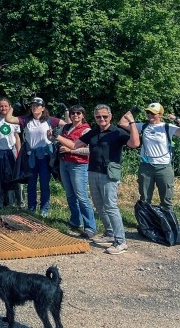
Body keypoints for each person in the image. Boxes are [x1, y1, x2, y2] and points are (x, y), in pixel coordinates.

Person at [66, 105, 139, 255]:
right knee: (99, 205)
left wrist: (132, 123)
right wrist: (56, 137)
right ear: (95, 117)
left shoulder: (117, 132)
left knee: (111, 206)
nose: (102, 119)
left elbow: (135, 144)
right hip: (93, 171)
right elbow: (74, 145)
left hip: (109, 174)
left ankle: (121, 242)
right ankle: (109, 233)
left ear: (110, 117)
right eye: (98, 116)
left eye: (105, 116)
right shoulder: (93, 133)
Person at [4, 97, 66, 217]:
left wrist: (66, 111)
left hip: (45, 156)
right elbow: (8, 119)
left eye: (37, 105)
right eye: (32, 105)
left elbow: (68, 125)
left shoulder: (50, 120)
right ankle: (31, 207)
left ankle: (44, 209)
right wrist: (12, 108)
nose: (34, 107)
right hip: (31, 156)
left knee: (44, 184)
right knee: (31, 183)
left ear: (43, 108)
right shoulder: (26, 120)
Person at [129, 102, 180, 211]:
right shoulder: (143, 126)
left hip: (164, 167)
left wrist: (176, 119)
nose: (150, 115)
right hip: (146, 167)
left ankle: (166, 220)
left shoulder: (167, 127)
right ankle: (146, 220)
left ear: (160, 115)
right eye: (148, 112)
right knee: (145, 198)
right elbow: (122, 123)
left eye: (153, 113)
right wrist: (131, 112)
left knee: (166, 199)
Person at [52, 105, 96, 237]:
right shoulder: (66, 128)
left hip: (79, 165)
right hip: (64, 163)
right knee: (70, 194)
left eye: (78, 113)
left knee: (81, 196)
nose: (75, 115)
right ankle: (75, 220)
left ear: (83, 115)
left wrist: (71, 150)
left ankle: (90, 227)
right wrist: (51, 135)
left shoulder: (86, 130)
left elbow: (90, 150)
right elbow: (55, 139)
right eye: (73, 113)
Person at [0, 98, 22, 209]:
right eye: (1, 106)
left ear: (10, 107)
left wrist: (19, 153)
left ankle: (17, 202)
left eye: (6, 106)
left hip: (11, 151)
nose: (3, 108)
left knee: (14, 177)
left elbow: (17, 138)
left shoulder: (15, 120)